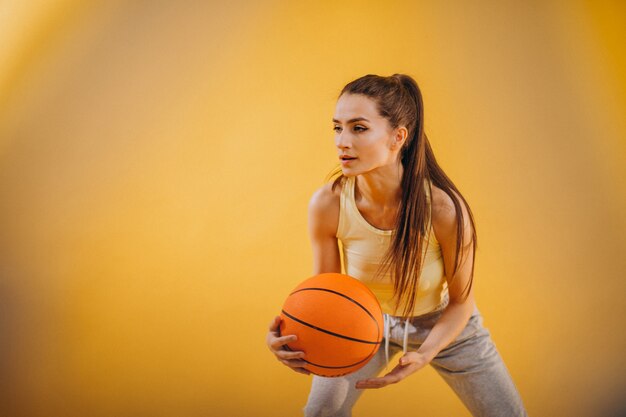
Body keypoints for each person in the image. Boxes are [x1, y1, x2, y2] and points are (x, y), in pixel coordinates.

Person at [266, 73, 528, 417]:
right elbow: (327, 296)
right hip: (364, 324)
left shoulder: (444, 209)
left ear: (397, 137)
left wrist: (426, 352)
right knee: (320, 413)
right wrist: (290, 337)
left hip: (443, 324)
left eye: (358, 128)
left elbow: (462, 303)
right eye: (337, 127)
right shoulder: (327, 204)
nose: (342, 141)